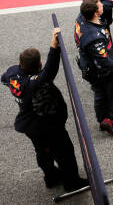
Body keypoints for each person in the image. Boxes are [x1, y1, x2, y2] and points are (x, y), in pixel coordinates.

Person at [1, 28, 89, 191]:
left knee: (43, 152)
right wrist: (53, 47)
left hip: (30, 125)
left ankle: (51, 177)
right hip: (47, 126)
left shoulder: (13, 73)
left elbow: (4, 78)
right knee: (65, 153)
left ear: (20, 63)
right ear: (39, 64)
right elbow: (49, 71)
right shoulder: (34, 83)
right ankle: (72, 183)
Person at [74, 0, 113, 136]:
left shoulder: (82, 16)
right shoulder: (94, 36)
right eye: (100, 6)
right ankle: (108, 120)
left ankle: (104, 120)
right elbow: (103, 59)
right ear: (95, 14)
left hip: (90, 66)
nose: (103, 5)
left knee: (101, 93)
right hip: (100, 70)